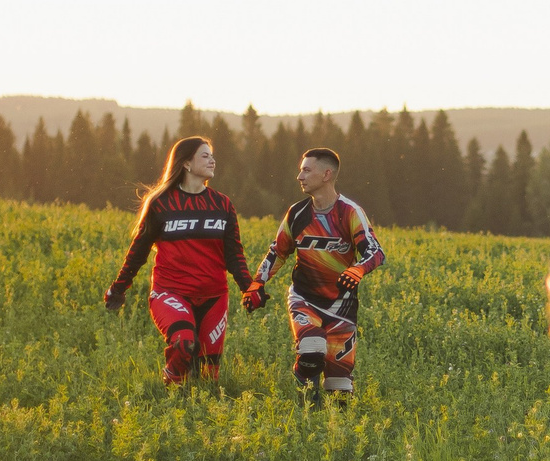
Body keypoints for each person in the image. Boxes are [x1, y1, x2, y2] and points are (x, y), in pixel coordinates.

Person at [103, 136, 248, 386]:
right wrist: (118, 288)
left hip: (214, 296)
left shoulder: (222, 204)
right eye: (205, 155)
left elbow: (234, 254)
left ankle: (196, 412)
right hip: (171, 292)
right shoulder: (161, 204)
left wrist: (250, 288)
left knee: (208, 378)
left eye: (212, 155)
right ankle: (170, 394)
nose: (212, 160)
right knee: (184, 343)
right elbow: (138, 252)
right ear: (187, 164)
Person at [244, 146, 384, 404]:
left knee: (339, 391)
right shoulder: (297, 213)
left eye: (306, 170)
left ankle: (332, 431)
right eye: (300, 170)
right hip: (304, 298)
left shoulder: (350, 212)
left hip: (343, 306)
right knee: (311, 351)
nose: (300, 176)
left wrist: (357, 269)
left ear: (327, 174)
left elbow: (376, 252)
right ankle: (304, 404)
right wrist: (256, 284)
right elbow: (278, 252)